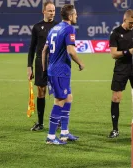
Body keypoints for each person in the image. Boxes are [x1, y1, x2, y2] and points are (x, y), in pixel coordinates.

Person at [41, 4, 85, 145]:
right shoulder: (69, 29)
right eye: (76, 14)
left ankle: (65, 133)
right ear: (71, 16)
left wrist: (44, 69)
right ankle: (51, 136)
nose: (77, 16)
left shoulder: (54, 28)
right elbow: (71, 51)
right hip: (60, 71)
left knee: (68, 97)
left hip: (55, 70)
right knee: (59, 101)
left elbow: (44, 50)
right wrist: (80, 63)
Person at [108, 9, 133, 138]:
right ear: (124, 20)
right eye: (130, 23)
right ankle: (115, 129)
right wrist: (128, 52)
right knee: (116, 97)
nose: (132, 25)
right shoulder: (116, 33)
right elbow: (113, 54)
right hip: (121, 68)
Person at [27, 1, 57, 131]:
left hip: (55, 62)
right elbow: (32, 48)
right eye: (50, 10)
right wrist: (29, 67)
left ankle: (59, 121)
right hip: (40, 62)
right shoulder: (37, 27)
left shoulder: (59, 26)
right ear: (43, 11)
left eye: (54, 11)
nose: (52, 13)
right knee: (41, 92)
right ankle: (40, 122)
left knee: (58, 92)